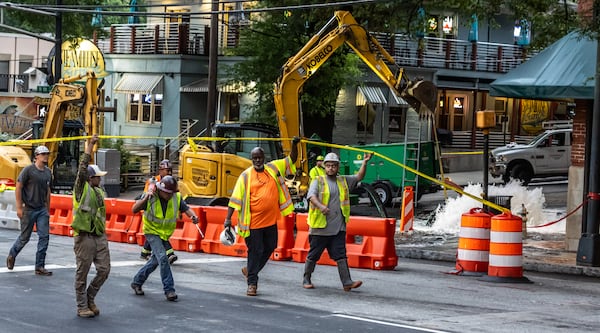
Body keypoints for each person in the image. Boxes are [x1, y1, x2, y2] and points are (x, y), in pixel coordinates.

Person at [225, 137, 300, 296]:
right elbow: (235, 200)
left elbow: (292, 159)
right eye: (254, 158)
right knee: (255, 251)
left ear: (264, 158)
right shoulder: (246, 176)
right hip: (252, 224)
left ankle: (251, 269)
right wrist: (227, 220)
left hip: (270, 221)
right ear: (251, 159)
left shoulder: (273, 168)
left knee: (270, 246)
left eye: (259, 158)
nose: (257, 161)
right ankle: (252, 284)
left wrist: (294, 144)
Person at [302, 151, 372, 292]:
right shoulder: (318, 180)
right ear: (324, 166)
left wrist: (364, 162)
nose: (331, 168)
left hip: (338, 226)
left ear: (338, 167)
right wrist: (321, 207)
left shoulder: (343, 180)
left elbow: (359, 176)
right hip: (320, 227)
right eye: (328, 166)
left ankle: (347, 282)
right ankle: (306, 278)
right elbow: (311, 196)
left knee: (341, 255)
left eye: (334, 166)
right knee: (314, 255)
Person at [130, 175, 199, 302]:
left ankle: (137, 282)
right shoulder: (151, 196)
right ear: (160, 189)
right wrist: (146, 197)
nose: (168, 195)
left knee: (155, 261)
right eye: (166, 193)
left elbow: (186, 209)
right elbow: (134, 209)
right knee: (163, 258)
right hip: (151, 231)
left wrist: (193, 216)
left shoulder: (176, 198)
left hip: (164, 234)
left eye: (171, 193)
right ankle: (169, 290)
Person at [71, 134, 111, 318]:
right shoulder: (82, 188)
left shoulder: (98, 191)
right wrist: (90, 146)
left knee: (104, 270)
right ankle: (81, 306)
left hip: (99, 236)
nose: (100, 179)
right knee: (83, 272)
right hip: (84, 237)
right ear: (89, 178)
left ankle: (90, 297)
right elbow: (82, 168)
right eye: (97, 177)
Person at [6, 145, 53, 276]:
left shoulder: (48, 172)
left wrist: (47, 209)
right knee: (24, 237)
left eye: (47, 154)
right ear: (36, 156)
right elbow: (19, 187)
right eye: (43, 154)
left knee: (44, 237)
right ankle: (12, 254)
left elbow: (48, 191)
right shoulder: (28, 170)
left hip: (41, 209)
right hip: (29, 209)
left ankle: (39, 266)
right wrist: (19, 207)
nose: (46, 156)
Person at [140, 159, 178, 264]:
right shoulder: (152, 181)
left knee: (155, 233)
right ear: (161, 171)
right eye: (167, 170)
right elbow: (146, 195)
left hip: (163, 214)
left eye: (170, 170)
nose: (169, 172)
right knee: (157, 233)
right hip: (152, 211)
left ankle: (145, 252)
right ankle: (169, 253)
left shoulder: (170, 181)